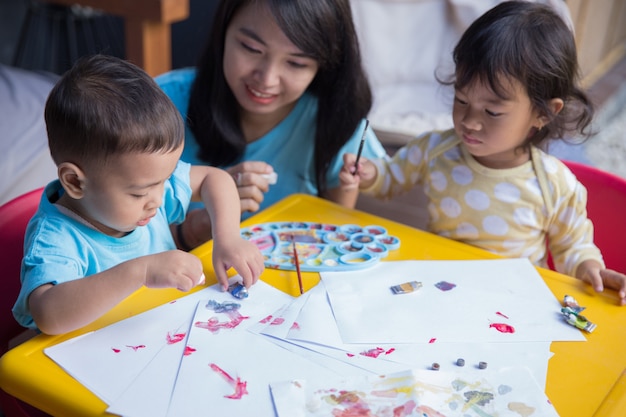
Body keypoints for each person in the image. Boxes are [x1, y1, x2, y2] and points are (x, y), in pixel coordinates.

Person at [339, 1, 626, 305]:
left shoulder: (555, 183)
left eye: (492, 111)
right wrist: (371, 174)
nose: (470, 122)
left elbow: (573, 248)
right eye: (462, 100)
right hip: (440, 292)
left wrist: (591, 269)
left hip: (513, 303)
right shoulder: (436, 149)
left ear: (544, 113)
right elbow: (391, 179)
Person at [13, 55, 265, 335]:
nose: (158, 200)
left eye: (165, 181)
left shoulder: (147, 186)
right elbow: (48, 314)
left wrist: (227, 238)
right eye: (139, 193)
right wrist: (139, 272)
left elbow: (213, 178)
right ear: (75, 182)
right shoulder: (55, 238)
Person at [156, 0, 386, 250]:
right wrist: (197, 226)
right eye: (251, 48)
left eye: (296, 63)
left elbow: (336, 238)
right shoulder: (158, 107)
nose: (267, 79)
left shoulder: (336, 119)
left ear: (325, 64)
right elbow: (115, 241)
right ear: (223, 30)